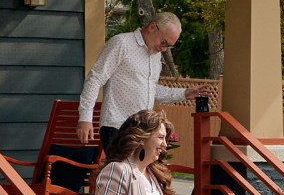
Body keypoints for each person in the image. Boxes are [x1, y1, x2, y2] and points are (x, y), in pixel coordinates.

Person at [77, 12, 210, 146]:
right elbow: (95, 78)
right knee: (124, 168)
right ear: (152, 27)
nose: (164, 49)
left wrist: (184, 93)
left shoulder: (155, 56)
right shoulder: (121, 43)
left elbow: (151, 90)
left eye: (169, 46)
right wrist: (85, 117)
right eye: (164, 42)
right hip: (117, 127)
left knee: (151, 167)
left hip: (143, 131)